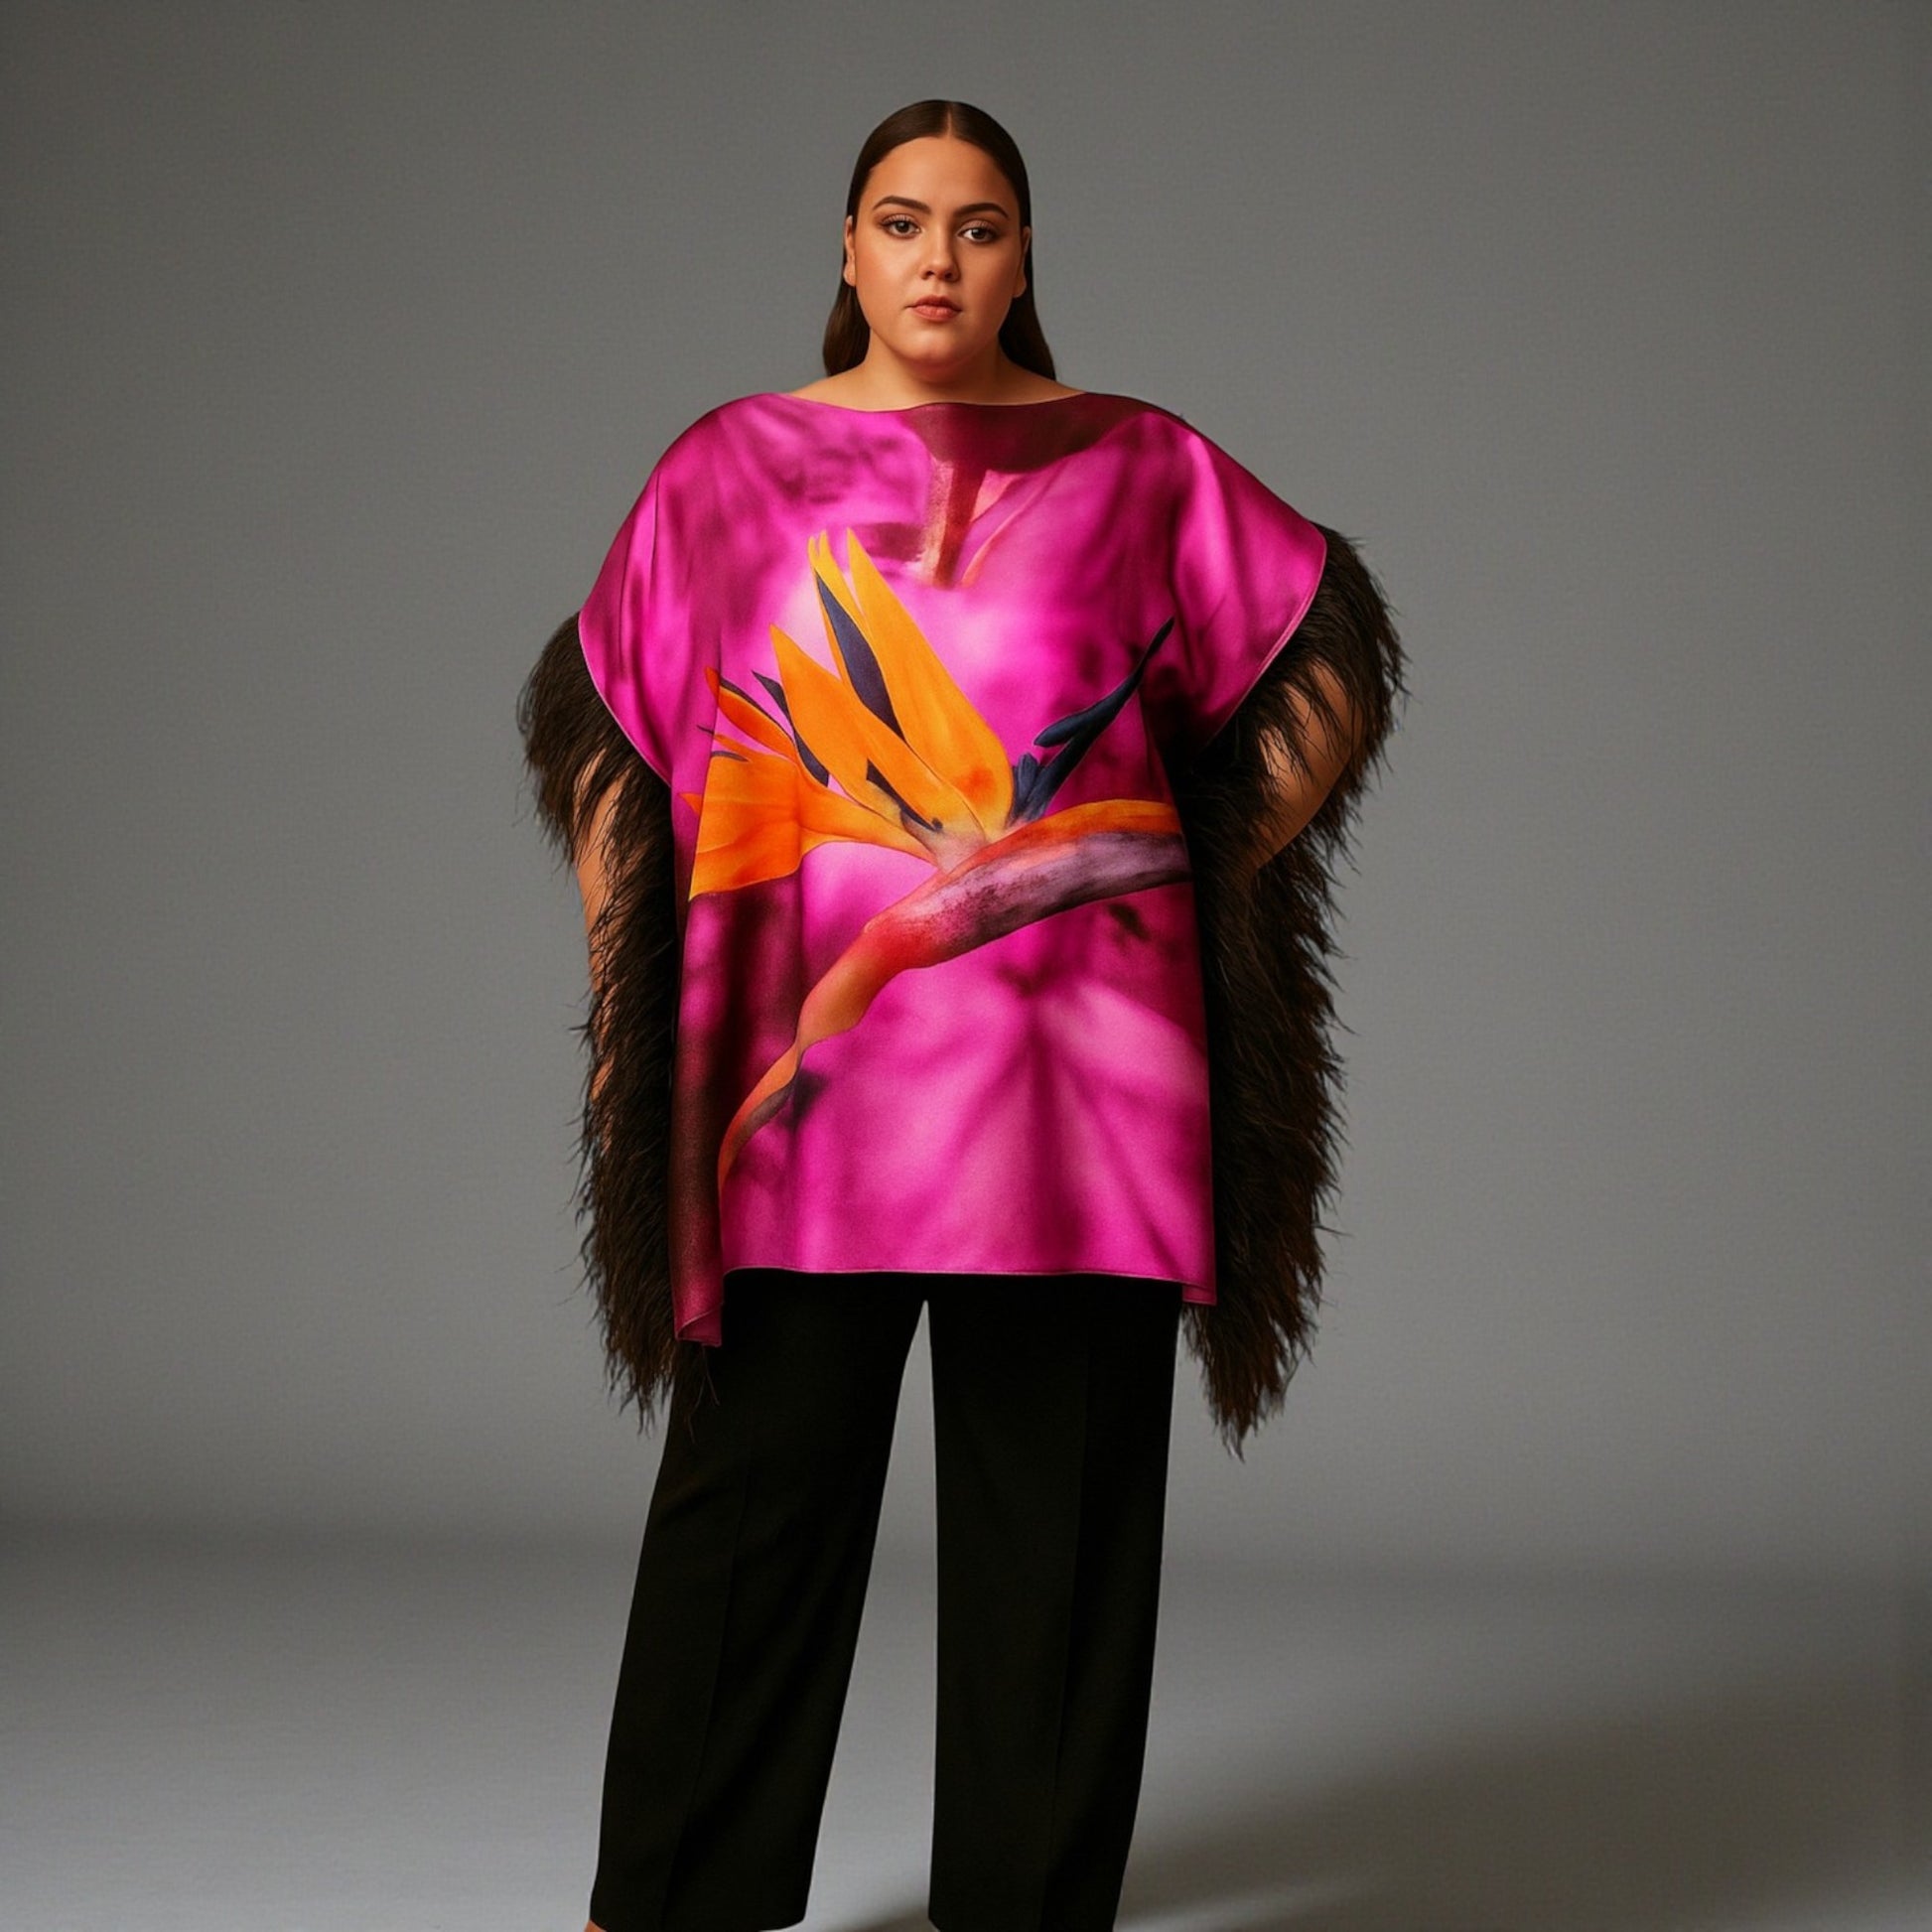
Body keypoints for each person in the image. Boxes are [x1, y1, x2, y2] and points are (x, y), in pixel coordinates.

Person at [517, 97, 1404, 1932]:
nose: (938, 257)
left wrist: (1163, 864)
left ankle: (1026, 1905)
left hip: (1070, 1114)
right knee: (749, 1510)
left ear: (1022, 259)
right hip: (800, 1105)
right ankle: (668, 1901)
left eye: (978, 224)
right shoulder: (727, 470)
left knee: (1055, 1542)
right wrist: (624, 1004)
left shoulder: (1138, 466)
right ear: (846, 252)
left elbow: (1322, 658)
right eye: (902, 221)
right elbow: (621, 755)